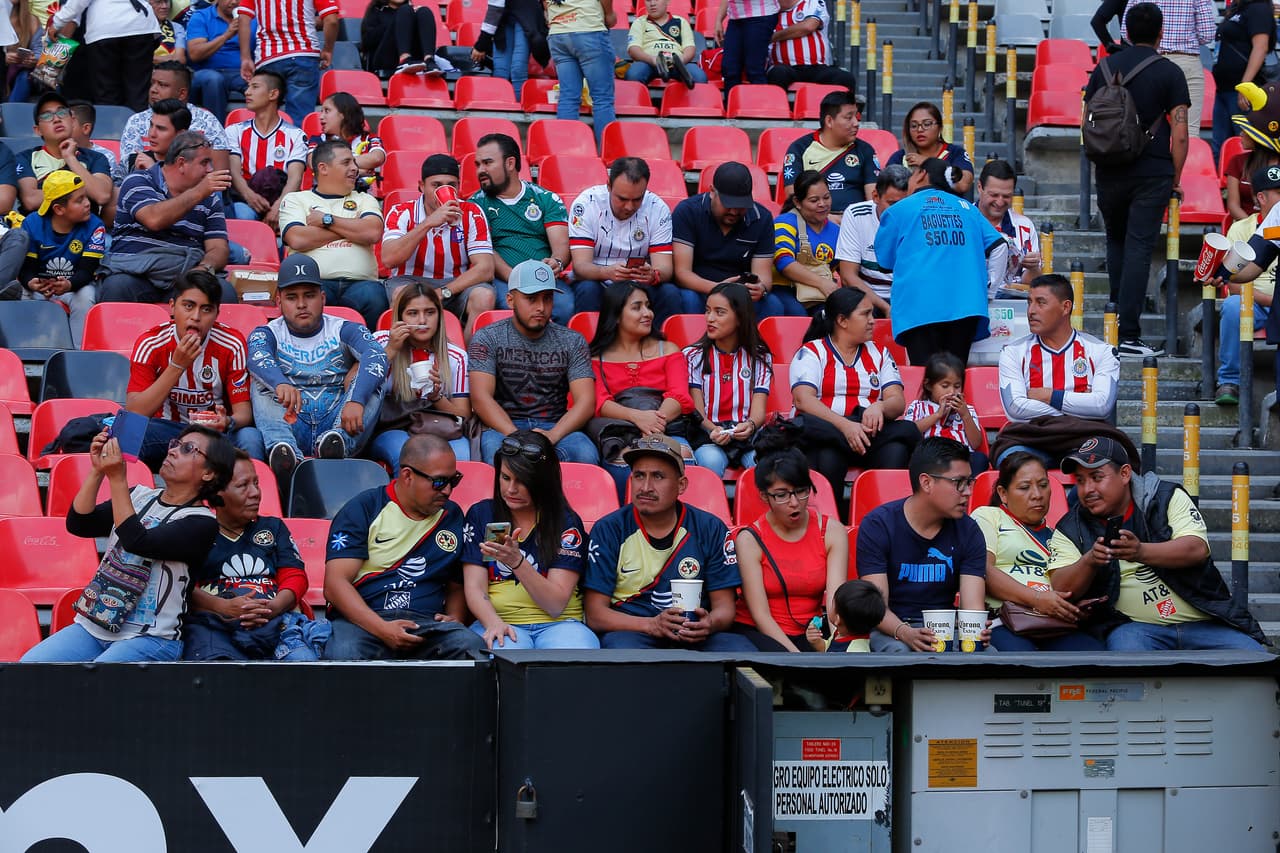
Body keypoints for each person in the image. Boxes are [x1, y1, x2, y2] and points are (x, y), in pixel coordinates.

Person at [21, 425, 234, 663]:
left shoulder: (203, 523)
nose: (173, 451)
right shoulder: (139, 496)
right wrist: (98, 471)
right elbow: (80, 523)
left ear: (209, 474)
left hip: (151, 637)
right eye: (175, 444)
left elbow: (138, 541)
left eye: (188, 449)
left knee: (97, 682)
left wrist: (118, 478)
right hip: (93, 627)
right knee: (28, 669)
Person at [1048, 436, 1265, 650]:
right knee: (1129, 663)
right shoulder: (1071, 526)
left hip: (1204, 621)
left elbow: (1196, 548)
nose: (1087, 489)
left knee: (1253, 660)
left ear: (1124, 474)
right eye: (1080, 480)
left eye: (1096, 477)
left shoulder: (1165, 497)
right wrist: (1090, 561)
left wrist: (1140, 551)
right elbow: (1061, 588)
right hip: (1134, 629)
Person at [323, 434, 487, 660]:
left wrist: (455, 617)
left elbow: (456, 583)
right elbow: (334, 584)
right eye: (439, 482)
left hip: (427, 624)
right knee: (344, 654)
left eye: (454, 480)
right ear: (407, 475)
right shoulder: (364, 508)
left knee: (471, 646)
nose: (448, 490)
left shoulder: (452, 515)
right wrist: (382, 629)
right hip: (365, 621)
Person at [584, 434, 754, 650]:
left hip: (693, 630)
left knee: (741, 652)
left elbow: (725, 609)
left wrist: (709, 623)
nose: (645, 487)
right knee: (623, 653)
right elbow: (595, 615)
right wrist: (651, 625)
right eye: (638, 475)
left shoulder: (710, 528)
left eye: (658, 476)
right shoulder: (609, 529)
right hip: (634, 630)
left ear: (681, 485)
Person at [1089, 2, 1189, 358]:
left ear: (1126, 31)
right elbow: (1179, 131)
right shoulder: (1169, 72)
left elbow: (1088, 121)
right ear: (1162, 32)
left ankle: (1115, 328)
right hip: (1153, 171)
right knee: (1138, 248)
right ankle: (1129, 334)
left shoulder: (1103, 67)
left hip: (1109, 170)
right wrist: (1175, 177)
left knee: (1115, 242)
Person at [246, 254, 387, 476]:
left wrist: (357, 400)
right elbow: (256, 356)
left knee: (374, 379)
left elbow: (377, 354)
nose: (301, 304)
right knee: (260, 382)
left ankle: (339, 443)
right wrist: (280, 383)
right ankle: (283, 451)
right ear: (279, 301)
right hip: (290, 422)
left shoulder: (343, 328)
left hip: (340, 422)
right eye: (292, 297)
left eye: (309, 296)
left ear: (322, 298)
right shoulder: (266, 333)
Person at [461, 430, 599, 649]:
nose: (511, 489)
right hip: (500, 621)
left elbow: (554, 604)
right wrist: (493, 623)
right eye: (505, 477)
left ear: (543, 482)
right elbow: (475, 587)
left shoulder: (564, 520)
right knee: (504, 651)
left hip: (560, 624)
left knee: (573, 654)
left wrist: (517, 562)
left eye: (522, 481)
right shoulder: (484, 515)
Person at [183, 450, 326, 661]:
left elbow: (295, 576)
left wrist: (273, 607)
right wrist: (224, 607)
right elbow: (184, 586)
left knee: (304, 666)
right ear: (217, 493)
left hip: (278, 622)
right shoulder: (198, 531)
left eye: (256, 483)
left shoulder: (273, 528)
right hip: (217, 626)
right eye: (243, 486)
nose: (255, 493)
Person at [791, 288, 919, 517]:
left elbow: (897, 401)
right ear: (842, 320)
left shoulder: (880, 353)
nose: (873, 321)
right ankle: (832, 524)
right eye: (866, 314)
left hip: (869, 435)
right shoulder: (812, 351)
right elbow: (803, 400)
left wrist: (879, 406)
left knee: (898, 447)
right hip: (828, 431)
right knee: (827, 451)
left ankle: (883, 523)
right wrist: (845, 426)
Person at [856, 437, 987, 651]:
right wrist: (904, 632)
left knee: (986, 655)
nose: (968, 492)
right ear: (926, 482)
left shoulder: (969, 530)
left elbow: (972, 606)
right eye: (958, 483)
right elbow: (876, 609)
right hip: (892, 628)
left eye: (969, 482)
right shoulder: (879, 524)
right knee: (901, 652)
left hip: (945, 628)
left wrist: (976, 632)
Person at [127, 269, 265, 468]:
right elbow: (134, 411)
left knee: (250, 437)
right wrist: (177, 365)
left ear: (217, 313)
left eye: (206, 309)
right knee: (129, 431)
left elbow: (243, 413)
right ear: (172, 307)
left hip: (216, 433)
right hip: (169, 431)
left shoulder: (232, 344)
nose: (196, 317)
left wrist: (226, 421)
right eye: (188, 306)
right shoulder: (150, 343)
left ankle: (247, 495)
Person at [875, 158, 1007, 365]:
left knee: (926, 379)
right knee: (953, 380)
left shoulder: (899, 210)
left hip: (919, 308)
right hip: (967, 307)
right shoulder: (967, 208)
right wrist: (989, 290)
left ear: (921, 175)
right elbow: (1000, 246)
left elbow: (884, 262)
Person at [468, 259, 599, 464]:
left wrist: (551, 436)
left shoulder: (572, 340)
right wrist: (517, 436)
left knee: (584, 454)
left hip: (555, 425)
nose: (541, 307)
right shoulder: (488, 337)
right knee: (497, 454)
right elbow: (481, 398)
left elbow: (586, 402)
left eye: (547, 298)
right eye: (531, 298)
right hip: (503, 425)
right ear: (510, 300)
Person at [971, 452, 1104, 652]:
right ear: (1003, 493)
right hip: (1006, 622)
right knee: (1023, 663)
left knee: (1095, 656)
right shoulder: (989, 516)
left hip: (1056, 623)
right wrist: (1037, 599)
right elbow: (982, 570)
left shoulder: (1061, 535)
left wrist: (1075, 605)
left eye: (1043, 485)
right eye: (1025, 487)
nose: (1037, 495)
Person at [993, 273, 1126, 467]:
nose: (1031, 311)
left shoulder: (1102, 352)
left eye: (1040, 303)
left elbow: (1102, 405)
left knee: (1105, 465)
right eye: (1029, 302)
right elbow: (1016, 409)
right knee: (1013, 463)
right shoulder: (1012, 352)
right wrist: (1079, 405)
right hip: (1031, 439)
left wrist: (1049, 396)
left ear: (1065, 307)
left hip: (1084, 439)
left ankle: (1074, 499)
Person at [98, 131, 236, 305]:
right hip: (136, 274)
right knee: (117, 286)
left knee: (225, 292)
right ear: (181, 163)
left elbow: (218, 248)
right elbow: (153, 219)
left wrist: (204, 267)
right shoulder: (138, 181)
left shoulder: (210, 198)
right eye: (204, 162)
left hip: (185, 276)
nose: (210, 169)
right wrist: (200, 191)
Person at [732, 444, 847, 652]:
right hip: (760, 632)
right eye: (781, 495)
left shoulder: (831, 531)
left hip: (811, 632)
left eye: (801, 491)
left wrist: (834, 648)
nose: (794, 502)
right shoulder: (750, 539)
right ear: (764, 496)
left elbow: (834, 602)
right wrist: (796, 658)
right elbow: (760, 616)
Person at [588, 280, 697, 495]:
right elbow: (598, 402)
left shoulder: (667, 349)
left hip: (665, 427)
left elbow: (679, 396)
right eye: (637, 307)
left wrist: (653, 424)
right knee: (622, 461)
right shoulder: (595, 358)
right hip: (619, 432)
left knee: (681, 454)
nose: (647, 313)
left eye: (648, 306)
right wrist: (637, 418)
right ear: (617, 315)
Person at [381, 153, 496, 337]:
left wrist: (444, 292)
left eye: (451, 185)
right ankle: (405, 360)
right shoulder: (402, 211)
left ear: (459, 186)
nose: (445, 190)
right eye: (436, 185)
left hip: (455, 285)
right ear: (421, 186)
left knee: (484, 296)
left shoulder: (471, 212)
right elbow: (389, 259)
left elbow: (486, 268)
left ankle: (468, 360)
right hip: (410, 280)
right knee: (402, 294)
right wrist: (427, 223)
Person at [279, 138, 388, 329]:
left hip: (361, 285)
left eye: (354, 162)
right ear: (323, 168)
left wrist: (326, 220)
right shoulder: (296, 199)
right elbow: (297, 238)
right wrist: (352, 229)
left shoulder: (365, 199)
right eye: (346, 162)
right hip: (313, 283)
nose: (354, 168)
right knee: (305, 297)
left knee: (375, 296)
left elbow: (372, 232)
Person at [470, 133, 574, 324]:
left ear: (510, 163)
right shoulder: (475, 205)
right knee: (513, 306)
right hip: (504, 280)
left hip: (543, 277)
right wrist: (517, 278)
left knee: (565, 305)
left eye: (487, 163)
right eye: (478, 164)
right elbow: (484, 250)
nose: (480, 170)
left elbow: (561, 246)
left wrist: (557, 262)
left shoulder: (546, 199)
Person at [568, 157, 680, 324]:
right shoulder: (586, 204)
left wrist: (653, 275)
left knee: (669, 292)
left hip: (640, 283)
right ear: (609, 186)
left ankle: (661, 348)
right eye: (622, 199)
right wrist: (605, 272)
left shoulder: (658, 208)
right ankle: (590, 348)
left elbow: (665, 268)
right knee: (587, 289)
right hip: (597, 279)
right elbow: (580, 266)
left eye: (637, 199)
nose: (629, 207)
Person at [371, 281, 471, 467]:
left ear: (439, 317)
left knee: (462, 456)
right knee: (409, 456)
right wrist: (392, 350)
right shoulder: (381, 341)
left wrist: (436, 396)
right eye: (413, 313)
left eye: (430, 312)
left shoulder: (456, 356)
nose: (422, 321)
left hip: (437, 426)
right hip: (393, 426)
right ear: (400, 317)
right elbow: (356, 386)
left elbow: (463, 415)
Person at [671, 161, 785, 318]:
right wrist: (718, 288)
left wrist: (761, 288)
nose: (734, 211)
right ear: (712, 192)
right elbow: (682, 273)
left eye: (741, 205)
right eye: (728, 204)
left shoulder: (762, 218)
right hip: (699, 288)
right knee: (688, 300)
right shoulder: (688, 212)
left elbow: (764, 276)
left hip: (740, 293)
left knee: (772, 304)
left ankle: (754, 344)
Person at [684, 281, 772, 476]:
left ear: (740, 317)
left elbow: (759, 411)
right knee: (711, 461)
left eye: (719, 312)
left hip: (747, 436)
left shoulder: (760, 356)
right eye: (707, 311)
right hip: (707, 434)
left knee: (763, 466)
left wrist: (749, 426)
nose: (710, 318)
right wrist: (713, 430)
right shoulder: (692, 355)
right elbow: (697, 411)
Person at [14, 170, 104, 346]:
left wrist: (69, 284)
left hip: (75, 286)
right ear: (58, 209)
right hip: (41, 286)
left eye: (85, 197)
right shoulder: (32, 223)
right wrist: (32, 282)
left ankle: (79, 352)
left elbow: (87, 270)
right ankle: (27, 352)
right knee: (24, 291)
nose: (87, 204)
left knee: (87, 295)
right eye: (79, 200)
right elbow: (27, 268)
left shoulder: (95, 225)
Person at [1214, 163, 1276, 406]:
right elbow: (1233, 282)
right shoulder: (1241, 228)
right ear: (1261, 197)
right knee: (1231, 306)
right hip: (1257, 303)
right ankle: (1229, 380)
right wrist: (1272, 300)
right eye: (1278, 193)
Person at [117, 62, 234, 182]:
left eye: (162, 85)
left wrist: (156, 170)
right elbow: (130, 170)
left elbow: (220, 177)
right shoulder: (136, 121)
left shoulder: (208, 121)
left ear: (182, 93)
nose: (153, 90)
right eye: (152, 83)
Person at [1120, 0, 1214, 141]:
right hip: (1186, 60)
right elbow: (1207, 33)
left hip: (1149, 60)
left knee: (1144, 125)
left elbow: (1125, 31)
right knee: (1190, 132)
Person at [237, 0, 339, 128]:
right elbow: (332, 20)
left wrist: (245, 58)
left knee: (265, 117)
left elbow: (243, 19)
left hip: (268, 57)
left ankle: (266, 146)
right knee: (300, 120)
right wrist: (328, 49)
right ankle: (299, 147)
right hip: (303, 55)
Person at [226, 70, 307, 230]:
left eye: (255, 87)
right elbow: (233, 172)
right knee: (243, 215)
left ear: (273, 94)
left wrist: (279, 206)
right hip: (244, 200)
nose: (247, 92)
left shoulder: (296, 135)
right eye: (248, 87)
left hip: (282, 200)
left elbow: (295, 179)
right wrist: (250, 196)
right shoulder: (234, 131)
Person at [47, 0, 161, 111]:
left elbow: (76, 6)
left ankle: (111, 129)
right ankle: (137, 128)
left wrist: (57, 23)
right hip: (140, 27)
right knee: (137, 93)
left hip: (105, 30)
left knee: (107, 95)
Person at [15, 91, 113, 216]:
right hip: (40, 230)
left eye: (62, 112)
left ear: (72, 121)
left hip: (84, 230)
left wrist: (70, 158)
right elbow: (31, 200)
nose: (56, 119)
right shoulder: (25, 158)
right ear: (38, 130)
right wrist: (80, 192)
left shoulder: (96, 157)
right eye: (46, 116)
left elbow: (101, 195)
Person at [834, 163, 911, 317]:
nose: (901, 211)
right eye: (892, 204)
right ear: (875, 196)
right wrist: (885, 308)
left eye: (906, 204)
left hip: (907, 298)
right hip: (868, 296)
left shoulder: (917, 217)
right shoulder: (856, 215)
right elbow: (848, 276)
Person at [782, 90, 878, 212]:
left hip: (855, 223)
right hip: (812, 223)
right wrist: (825, 219)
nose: (856, 123)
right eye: (849, 118)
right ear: (829, 121)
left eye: (856, 117)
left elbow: (874, 200)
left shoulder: (865, 150)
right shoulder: (799, 149)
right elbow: (793, 199)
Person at [545, 0, 615, 151]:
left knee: (568, 97)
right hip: (588, 27)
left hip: (558, 32)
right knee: (602, 98)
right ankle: (608, 154)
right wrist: (609, 15)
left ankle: (566, 154)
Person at [905, 351, 988, 474]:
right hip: (932, 457)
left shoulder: (967, 410)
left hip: (961, 457)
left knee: (980, 459)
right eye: (945, 386)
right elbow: (909, 432)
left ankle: (967, 489)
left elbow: (976, 444)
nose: (952, 391)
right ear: (928, 386)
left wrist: (965, 415)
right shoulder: (919, 406)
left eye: (957, 386)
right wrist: (937, 415)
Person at [1211, 0, 1274, 157]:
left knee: (1243, 146)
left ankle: (1245, 182)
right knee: (1220, 149)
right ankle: (1224, 182)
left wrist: (1245, 85)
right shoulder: (1239, 8)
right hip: (1224, 89)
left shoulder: (1258, 8)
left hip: (1241, 91)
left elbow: (1261, 47)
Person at [773, 169, 840, 315]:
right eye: (814, 200)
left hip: (819, 294)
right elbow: (783, 262)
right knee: (797, 314)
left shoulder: (836, 231)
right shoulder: (784, 223)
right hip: (784, 289)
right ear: (797, 202)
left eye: (827, 197)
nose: (822, 204)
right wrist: (822, 283)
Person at [977, 158, 1042, 296]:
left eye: (1006, 196)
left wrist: (1033, 268)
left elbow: (1030, 283)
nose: (1000, 202)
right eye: (994, 195)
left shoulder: (1025, 226)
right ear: (979, 188)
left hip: (1012, 306)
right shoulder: (963, 220)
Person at [885, 102, 975, 196]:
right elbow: (886, 191)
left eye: (927, 124)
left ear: (940, 127)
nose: (920, 130)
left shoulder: (955, 153)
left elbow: (963, 184)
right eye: (914, 126)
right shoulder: (900, 157)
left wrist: (928, 163)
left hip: (948, 209)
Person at [765, 0, 856, 92]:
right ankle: (778, 106)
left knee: (845, 78)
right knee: (777, 73)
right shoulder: (767, 13)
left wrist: (772, 37)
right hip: (785, 68)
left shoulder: (813, 2)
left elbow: (809, 26)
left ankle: (838, 106)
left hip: (816, 67)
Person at [187, 0, 255, 124]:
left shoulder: (252, 18)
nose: (234, 2)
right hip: (207, 72)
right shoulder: (201, 16)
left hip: (239, 72)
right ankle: (216, 132)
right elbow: (195, 54)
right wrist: (227, 35)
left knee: (261, 84)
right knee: (214, 80)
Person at [471, 0, 551, 103]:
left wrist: (481, 45)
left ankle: (519, 109)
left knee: (518, 69)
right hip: (503, 22)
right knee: (500, 71)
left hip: (527, 18)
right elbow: (494, 11)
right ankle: (500, 109)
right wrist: (482, 44)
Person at [313, 92, 385, 192]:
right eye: (322, 111)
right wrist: (358, 171)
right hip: (325, 197)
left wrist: (335, 166)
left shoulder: (369, 139)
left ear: (343, 114)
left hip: (362, 197)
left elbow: (377, 158)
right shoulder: (317, 140)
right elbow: (314, 163)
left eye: (327, 111)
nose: (321, 116)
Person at [625, 0, 706, 86]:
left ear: (667, 2)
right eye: (648, 0)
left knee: (699, 77)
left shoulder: (681, 22)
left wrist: (682, 59)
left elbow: (690, 48)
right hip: (648, 63)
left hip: (677, 64)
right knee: (633, 75)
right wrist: (652, 59)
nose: (652, 4)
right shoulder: (639, 22)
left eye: (656, 0)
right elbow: (633, 49)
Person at [715, 0, 779, 98]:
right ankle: (733, 108)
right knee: (729, 69)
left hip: (761, 16)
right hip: (735, 19)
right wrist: (718, 20)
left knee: (754, 68)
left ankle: (759, 109)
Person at [361, 0, 442, 77]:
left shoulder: (412, 12)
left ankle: (429, 61)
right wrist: (397, 20)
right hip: (385, 59)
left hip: (415, 59)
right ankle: (404, 59)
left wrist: (414, 19)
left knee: (424, 11)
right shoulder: (376, 11)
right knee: (405, 10)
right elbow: (367, 42)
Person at [121, 99, 192, 179]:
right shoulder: (131, 162)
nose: (152, 134)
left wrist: (154, 170)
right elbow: (114, 189)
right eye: (151, 125)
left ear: (181, 134)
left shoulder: (193, 166)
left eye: (161, 129)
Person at [1224, 133, 1279, 222]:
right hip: (1245, 225)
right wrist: (1253, 226)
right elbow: (1233, 206)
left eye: (1245, 131)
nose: (1240, 134)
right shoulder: (1236, 161)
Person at [820, 578, 885, 652]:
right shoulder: (840, 633)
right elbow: (828, 649)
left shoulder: (855, 652)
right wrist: (816, 641)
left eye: (832, 605)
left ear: (838, 619)